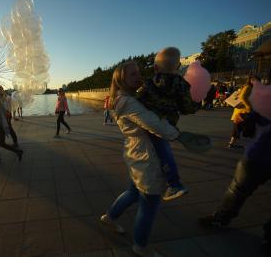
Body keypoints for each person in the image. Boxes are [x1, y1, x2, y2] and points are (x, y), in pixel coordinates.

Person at [99, 61, 182, 256]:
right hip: (146, 156)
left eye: (138, 73)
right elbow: (154, 124)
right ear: (122, 80)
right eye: (133, 75)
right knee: (149, 203)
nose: (139, 77)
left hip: (136, 152)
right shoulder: (129, 102)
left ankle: (110, 217)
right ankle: (140, 247)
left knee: (134, 191)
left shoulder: (125, 99)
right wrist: (179, 134)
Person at [199, 114, 271, 254]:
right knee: (237, 190)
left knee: (237, 191)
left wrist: (244, 118)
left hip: (259, 155)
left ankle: (222, 217)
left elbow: (252, 118)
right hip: (259, 155)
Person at [137, 47, 197, 201]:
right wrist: (196, 104)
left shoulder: (148, 83)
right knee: (163, 150)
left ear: (155, 68)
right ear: (178, 67)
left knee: (160, 152)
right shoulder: (182, 85)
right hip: (169, 124)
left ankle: (174, 184)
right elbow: (187, 108)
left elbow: (138, 101)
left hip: (152, 123)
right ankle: (169, 182)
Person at [0, 73, 23, 163]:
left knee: (1, 143)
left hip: (0, 125)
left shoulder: (2, 100)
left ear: (2, 91)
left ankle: (18, 151)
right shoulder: (3, 100)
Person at [228, 76, 260, 149]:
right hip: (244, 112)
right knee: (250, 127)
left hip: (241, 112)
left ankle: (232, 143)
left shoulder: (245, 87)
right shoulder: (248, 87)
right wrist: (249, 107)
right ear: (251, 81)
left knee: (238, 127)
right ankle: (252, 144)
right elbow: (242, 97)